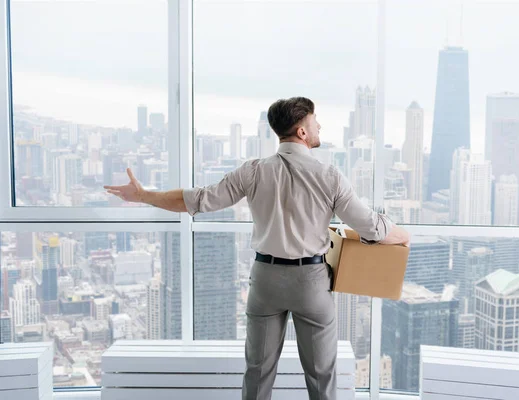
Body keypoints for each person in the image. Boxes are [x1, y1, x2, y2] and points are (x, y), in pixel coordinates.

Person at [104, 97, 410, 400]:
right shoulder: (329, 176)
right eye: (314, 121)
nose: (319, 125)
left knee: (258, 373)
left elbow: (196, 199)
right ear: (302, 131)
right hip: (311, 282)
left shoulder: (252, 171)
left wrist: (144, 196)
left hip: (266, 280)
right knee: (321, 377)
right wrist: (399, 234)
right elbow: (369, 226)